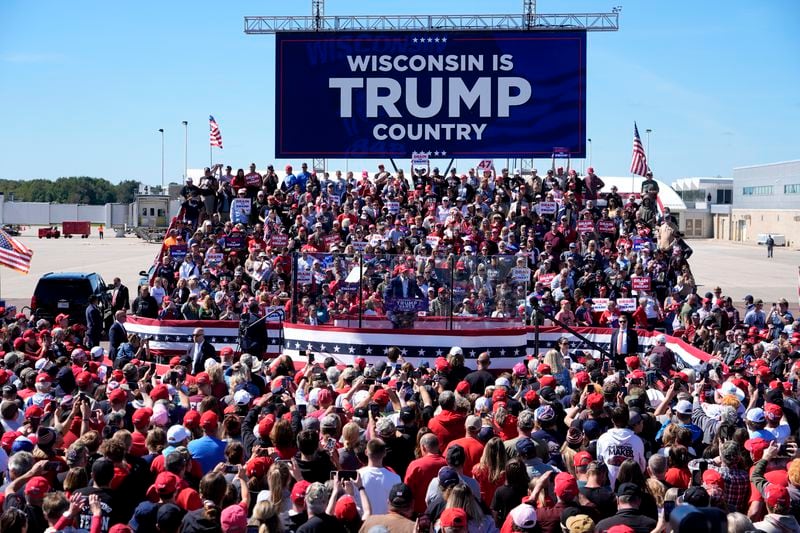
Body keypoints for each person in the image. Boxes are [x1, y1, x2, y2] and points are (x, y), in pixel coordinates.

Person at [357, 439, 401, 516]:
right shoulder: (395, 478)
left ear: (366, 452)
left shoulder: (357, 476)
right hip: (386, 524)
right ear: (384, 453)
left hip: (364, 523)